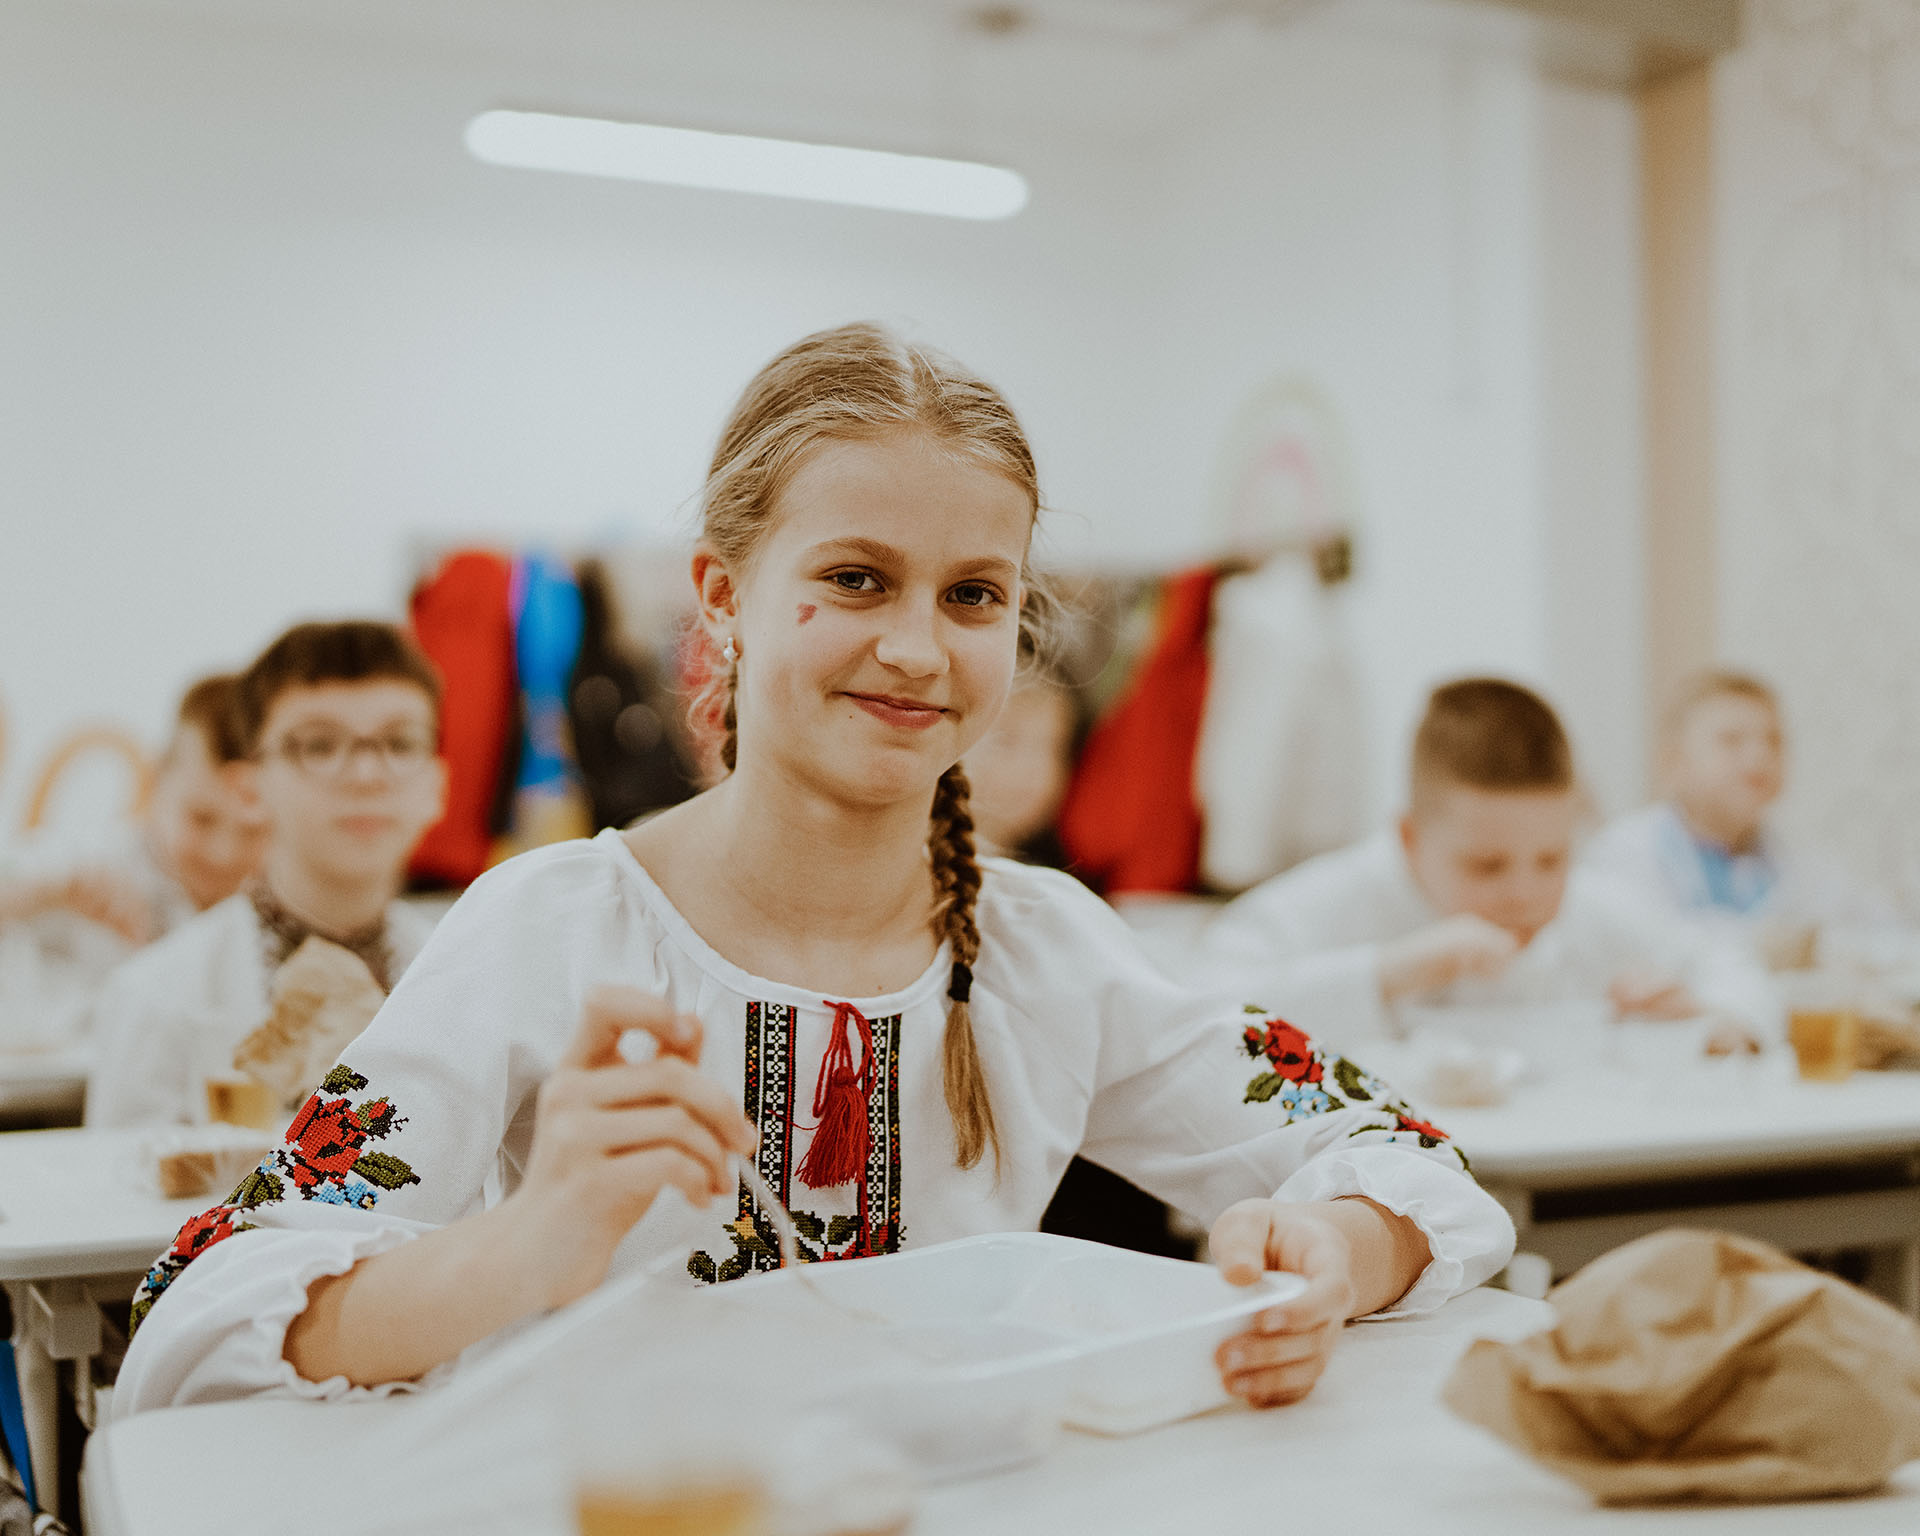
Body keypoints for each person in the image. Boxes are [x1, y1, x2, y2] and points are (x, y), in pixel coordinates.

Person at [113, 325, 1512, 1420]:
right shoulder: (556, 926)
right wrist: (521, 1247)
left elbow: (1411, 1165)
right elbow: (204, 1309)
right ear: (722, 597)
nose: (917, 645)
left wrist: (1336, 1249)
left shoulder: (1042, 951)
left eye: (972, 595)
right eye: (855, 578)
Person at [1193, 679, 1777, 1055]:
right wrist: (1390, 973)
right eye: (1487, 866)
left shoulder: (1590, 906)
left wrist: (1712, 1018)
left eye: (1551, 859)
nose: (1525, 893)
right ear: (1409, 838)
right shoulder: (1328, 903)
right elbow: (1202, 1017)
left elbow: (1732, 966)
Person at [85, 622, 447, 1127]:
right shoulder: (157, 999)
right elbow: (120, 1203)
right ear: (249, 790)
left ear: (438, 785)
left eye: (401, 743)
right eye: (319, 746)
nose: (367, 774)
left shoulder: (469, 987)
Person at [0, 676, 268, 1051]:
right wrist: (32, 894)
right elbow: (16, 872)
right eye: (201, 818)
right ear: (159, 780)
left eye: (253, 831)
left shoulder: (281, 904)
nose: (223, 852)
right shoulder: (92, 863)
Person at [1583, 671, 1904, 963]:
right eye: (1731, 740)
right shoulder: (1623, 857)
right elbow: (1644, 947)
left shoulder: (1803, 863)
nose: (1758, 756)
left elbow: (1885, 936)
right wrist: (1763, 946)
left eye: (1773, 741)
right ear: (1672, 762)